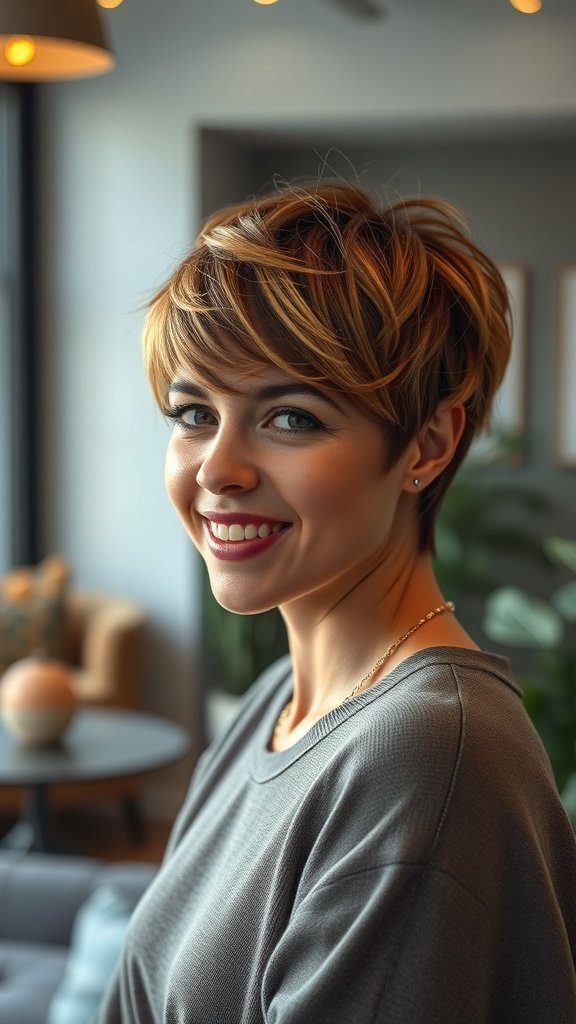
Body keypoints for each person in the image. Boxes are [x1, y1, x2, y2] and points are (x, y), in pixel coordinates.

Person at [97, 180, 576, 1023]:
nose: (218, 469)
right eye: (194, 412)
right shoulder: (278, 702)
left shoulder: (425, 756)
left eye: (290, 418)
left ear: (427, 445)